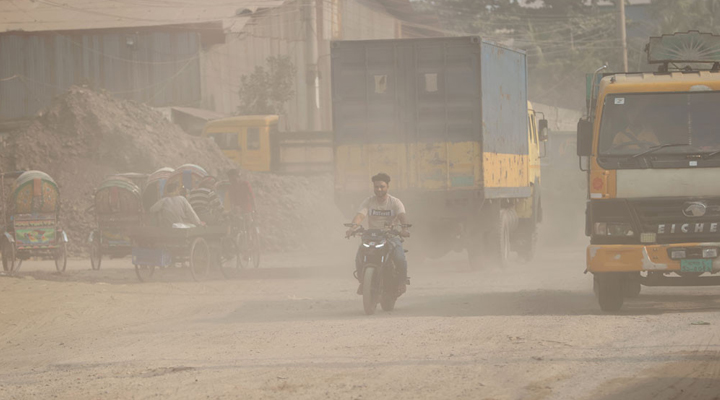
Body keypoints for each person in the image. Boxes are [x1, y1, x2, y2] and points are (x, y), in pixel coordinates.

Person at [345, 173, 410, 296]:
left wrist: (404, 229)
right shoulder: (369, 201)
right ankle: (363, 283)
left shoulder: (395, 202)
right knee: (359, 256)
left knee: (399, 257)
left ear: (387, 187)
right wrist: (353, 228)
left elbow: (402, 216)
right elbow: (360, 215)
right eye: (376, 187)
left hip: (390, 236)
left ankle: (401, 282)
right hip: (372, 236)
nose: (379, 189)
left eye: (382, 186)